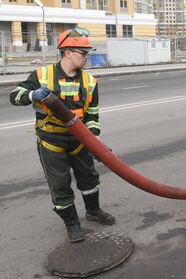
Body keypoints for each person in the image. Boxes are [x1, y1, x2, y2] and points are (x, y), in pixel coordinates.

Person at [10, 27, 115, 243]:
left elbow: (92, 115)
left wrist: (94, 139)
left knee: (90, 179)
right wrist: (32, 94)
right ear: (67, 52)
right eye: (82, 52)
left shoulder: (90, 82)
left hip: (80, 141)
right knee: (60, 184)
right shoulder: (42, 75)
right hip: (51, 141)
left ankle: (93, 212)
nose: (87, 56)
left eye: (87, 52)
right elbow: (15, 96)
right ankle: (72, 225)